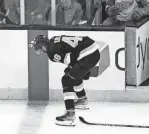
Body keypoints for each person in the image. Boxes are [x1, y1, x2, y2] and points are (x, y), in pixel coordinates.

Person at [31, 34, 101, 126]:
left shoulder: (51, 52)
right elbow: (73, 54)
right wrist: (80, 70)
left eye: (38, 48)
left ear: (43, 46)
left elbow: (71, 59)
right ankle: (82, 100)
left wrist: (80, 69)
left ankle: (70, 114)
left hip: (87, 54)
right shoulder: (53, 40)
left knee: (66, 79)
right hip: (92, 49)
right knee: (73, 73)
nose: (38, 50)